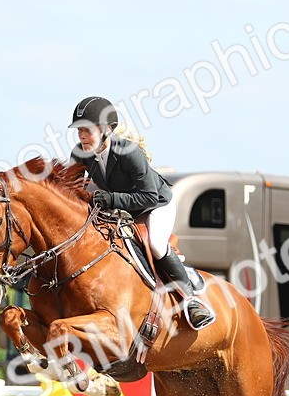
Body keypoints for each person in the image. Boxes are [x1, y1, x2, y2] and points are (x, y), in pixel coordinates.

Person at [68, 96, 215, 330]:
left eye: (87, 130)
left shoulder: (128, 152)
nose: (82, 136)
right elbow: (70, 189)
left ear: (107, 130)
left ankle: (191, 300)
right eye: (79, 130)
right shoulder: (80, 153)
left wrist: (112, 199)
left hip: (156, 205)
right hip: (124, 209)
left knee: (155, 243)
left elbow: (149, 196)